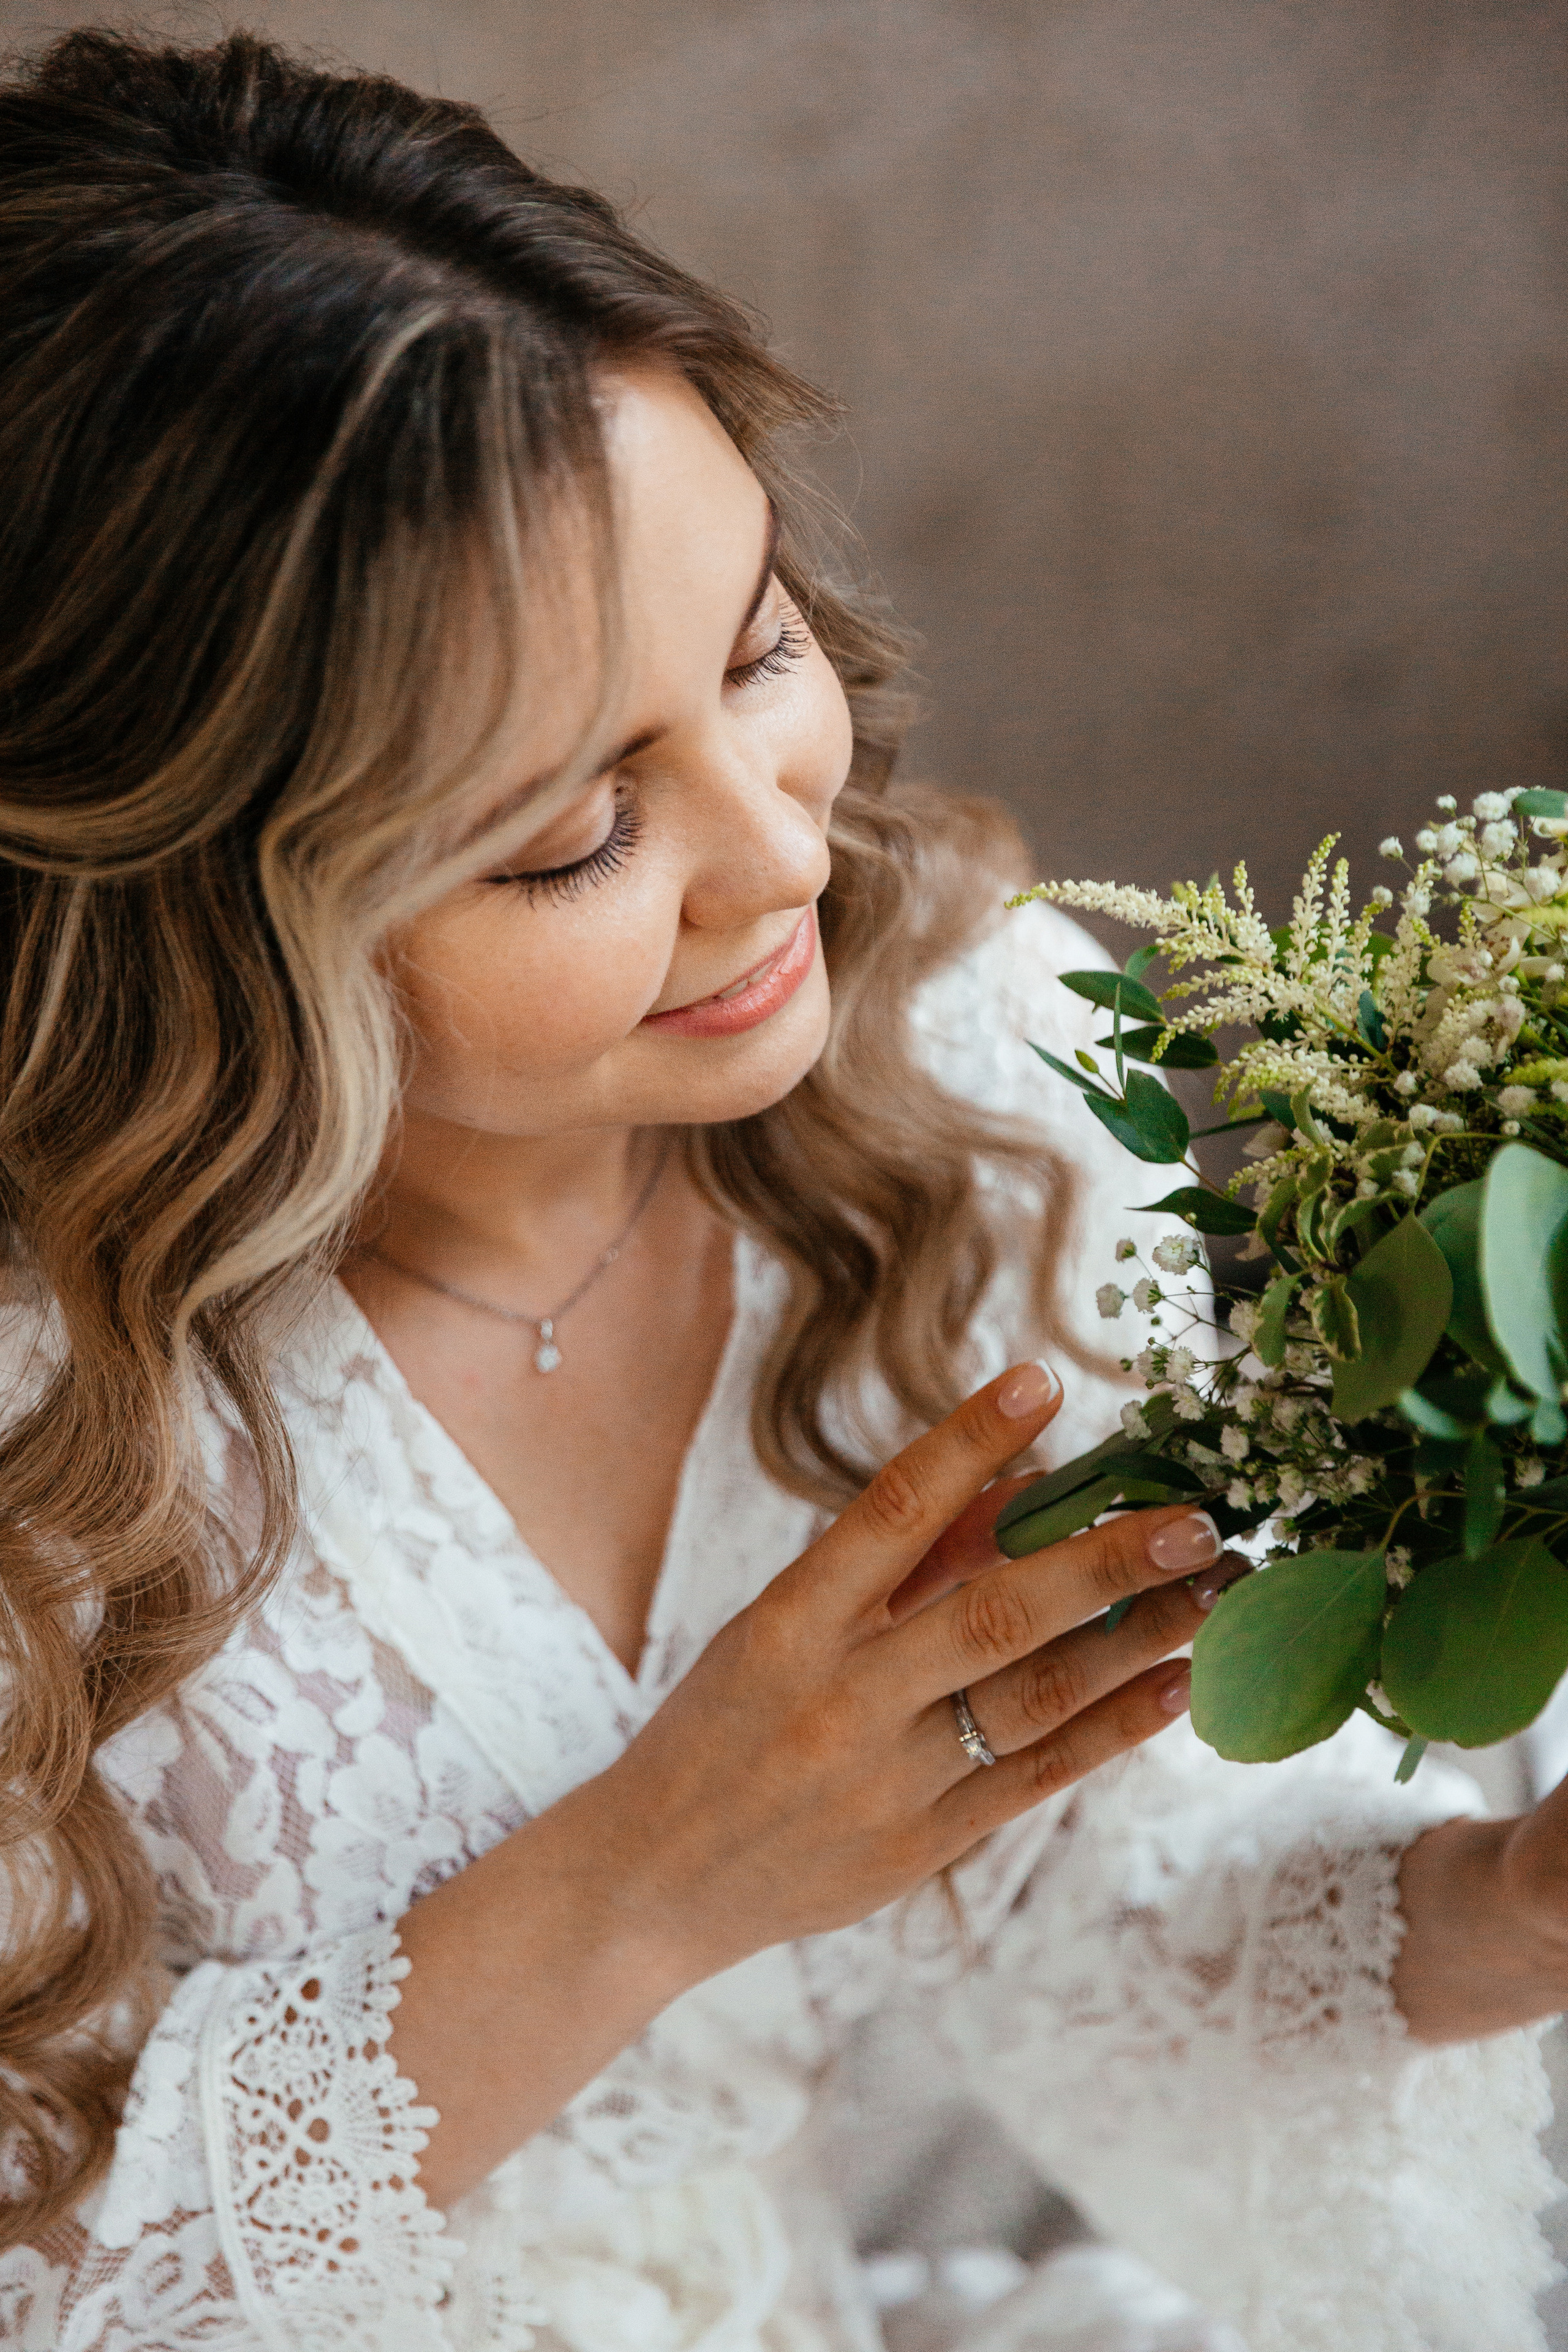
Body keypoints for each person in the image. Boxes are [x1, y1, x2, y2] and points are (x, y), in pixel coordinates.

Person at [0, 29, 1561, 2352]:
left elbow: (1121, 1923)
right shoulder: (43, 1404)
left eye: (761, 653)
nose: (783, 851)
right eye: (572, 834)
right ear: (199, 911)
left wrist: (1515, 1904)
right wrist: (651, 1877)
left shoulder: (978, 1078)